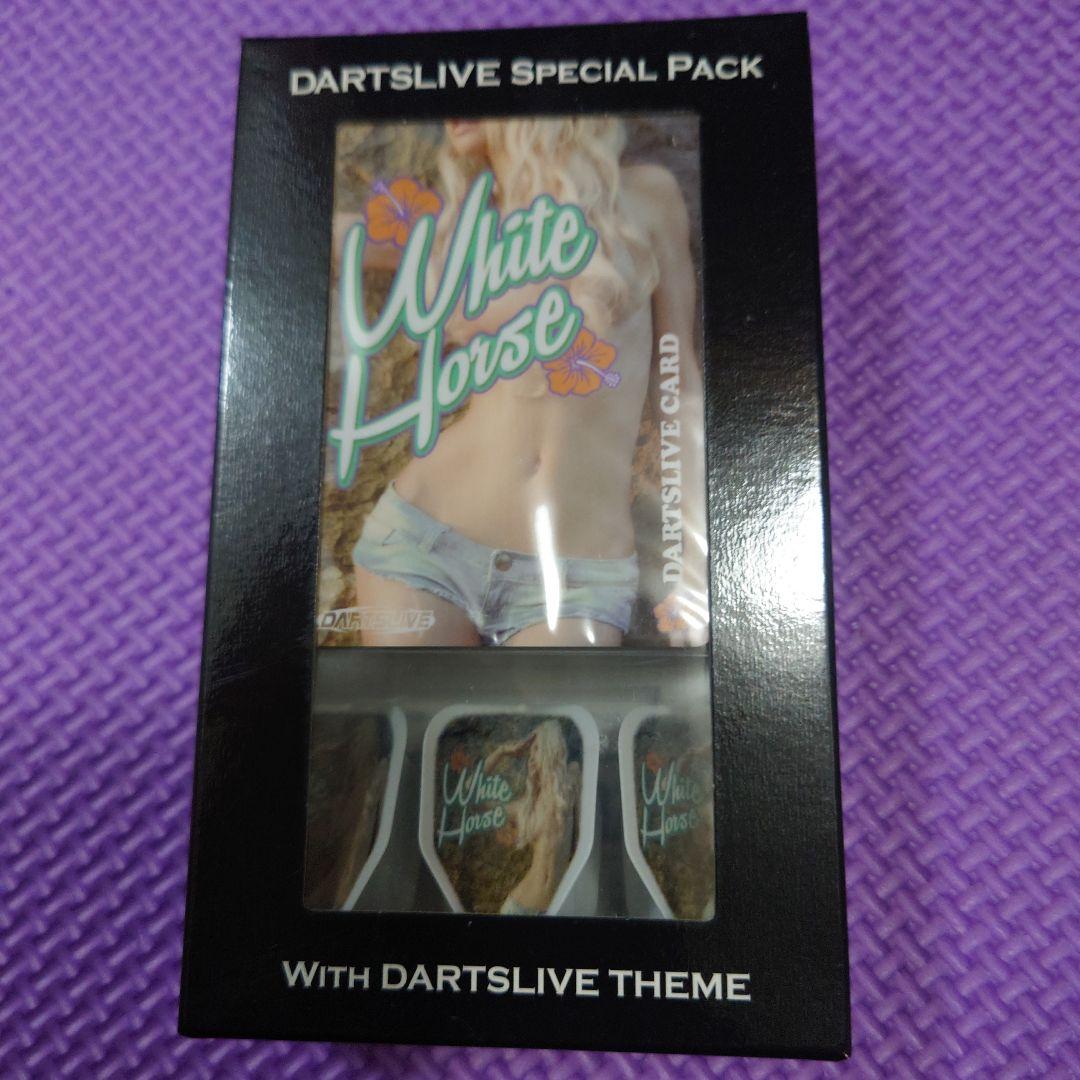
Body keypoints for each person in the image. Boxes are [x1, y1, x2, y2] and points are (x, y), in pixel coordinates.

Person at [348, 117, 707, 647]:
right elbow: (339, 237)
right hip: (423, 541)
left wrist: (693, 564)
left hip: (580, 572)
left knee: (568, 706)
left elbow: (679, 384)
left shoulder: (644, 197)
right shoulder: (465, 227)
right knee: (409, 703)